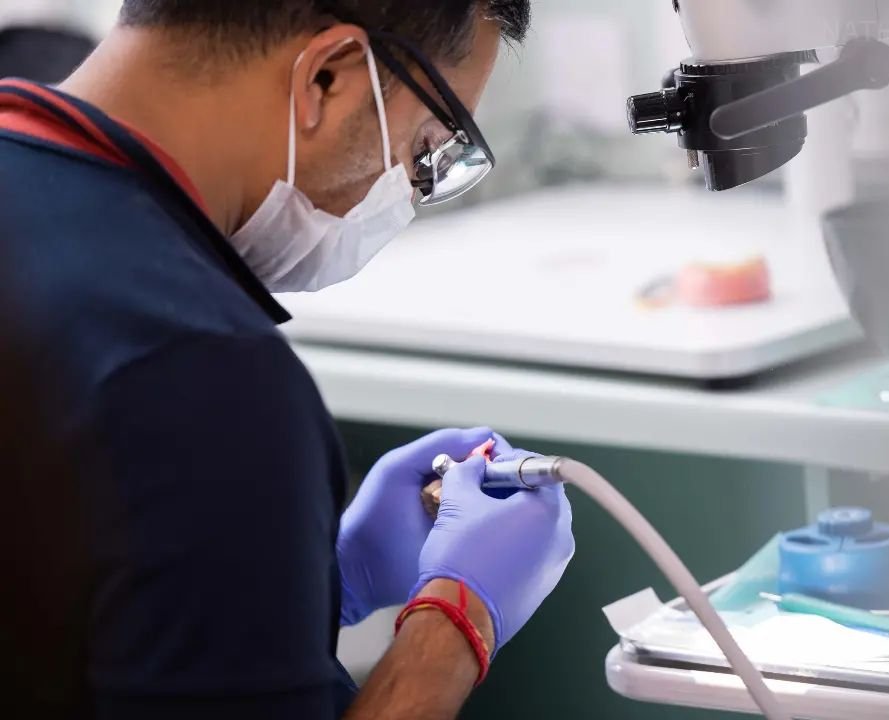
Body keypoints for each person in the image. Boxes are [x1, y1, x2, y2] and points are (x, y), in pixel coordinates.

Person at [0, 2, 574, 719]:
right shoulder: (200, 373)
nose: (408, 192)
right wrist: (454, 626)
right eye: (426, 147)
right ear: (328, 78)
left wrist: (323, 577)